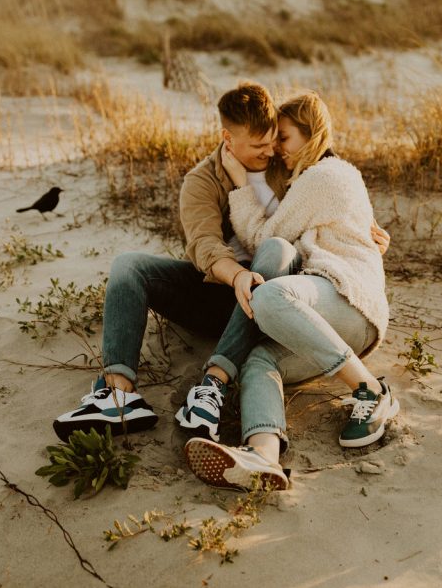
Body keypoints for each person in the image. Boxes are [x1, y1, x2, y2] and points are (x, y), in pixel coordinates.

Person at [52, 83, 389, 443]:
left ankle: (215, 382)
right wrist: (238, 275)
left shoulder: (286, 163)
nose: (270, 151)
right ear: (228, 140)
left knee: (275, 249)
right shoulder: (201, 182)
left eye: (273, 140)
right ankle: (119, 395)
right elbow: (204, 246)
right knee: (128, 266)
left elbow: (331, 192)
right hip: (226, 292)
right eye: (258, 146)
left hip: (282, 294)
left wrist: (368, 232)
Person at [184, 91, 397, 492]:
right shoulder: (318, 178)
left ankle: (371, 389)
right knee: (260, 360)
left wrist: (237, 186)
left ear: (311, 134)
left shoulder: (323, 175)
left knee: (268, 296)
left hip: (346, 297)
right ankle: (263, 455)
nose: (277, 149)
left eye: (284, 138)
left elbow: (265, 236)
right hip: (334, 322)